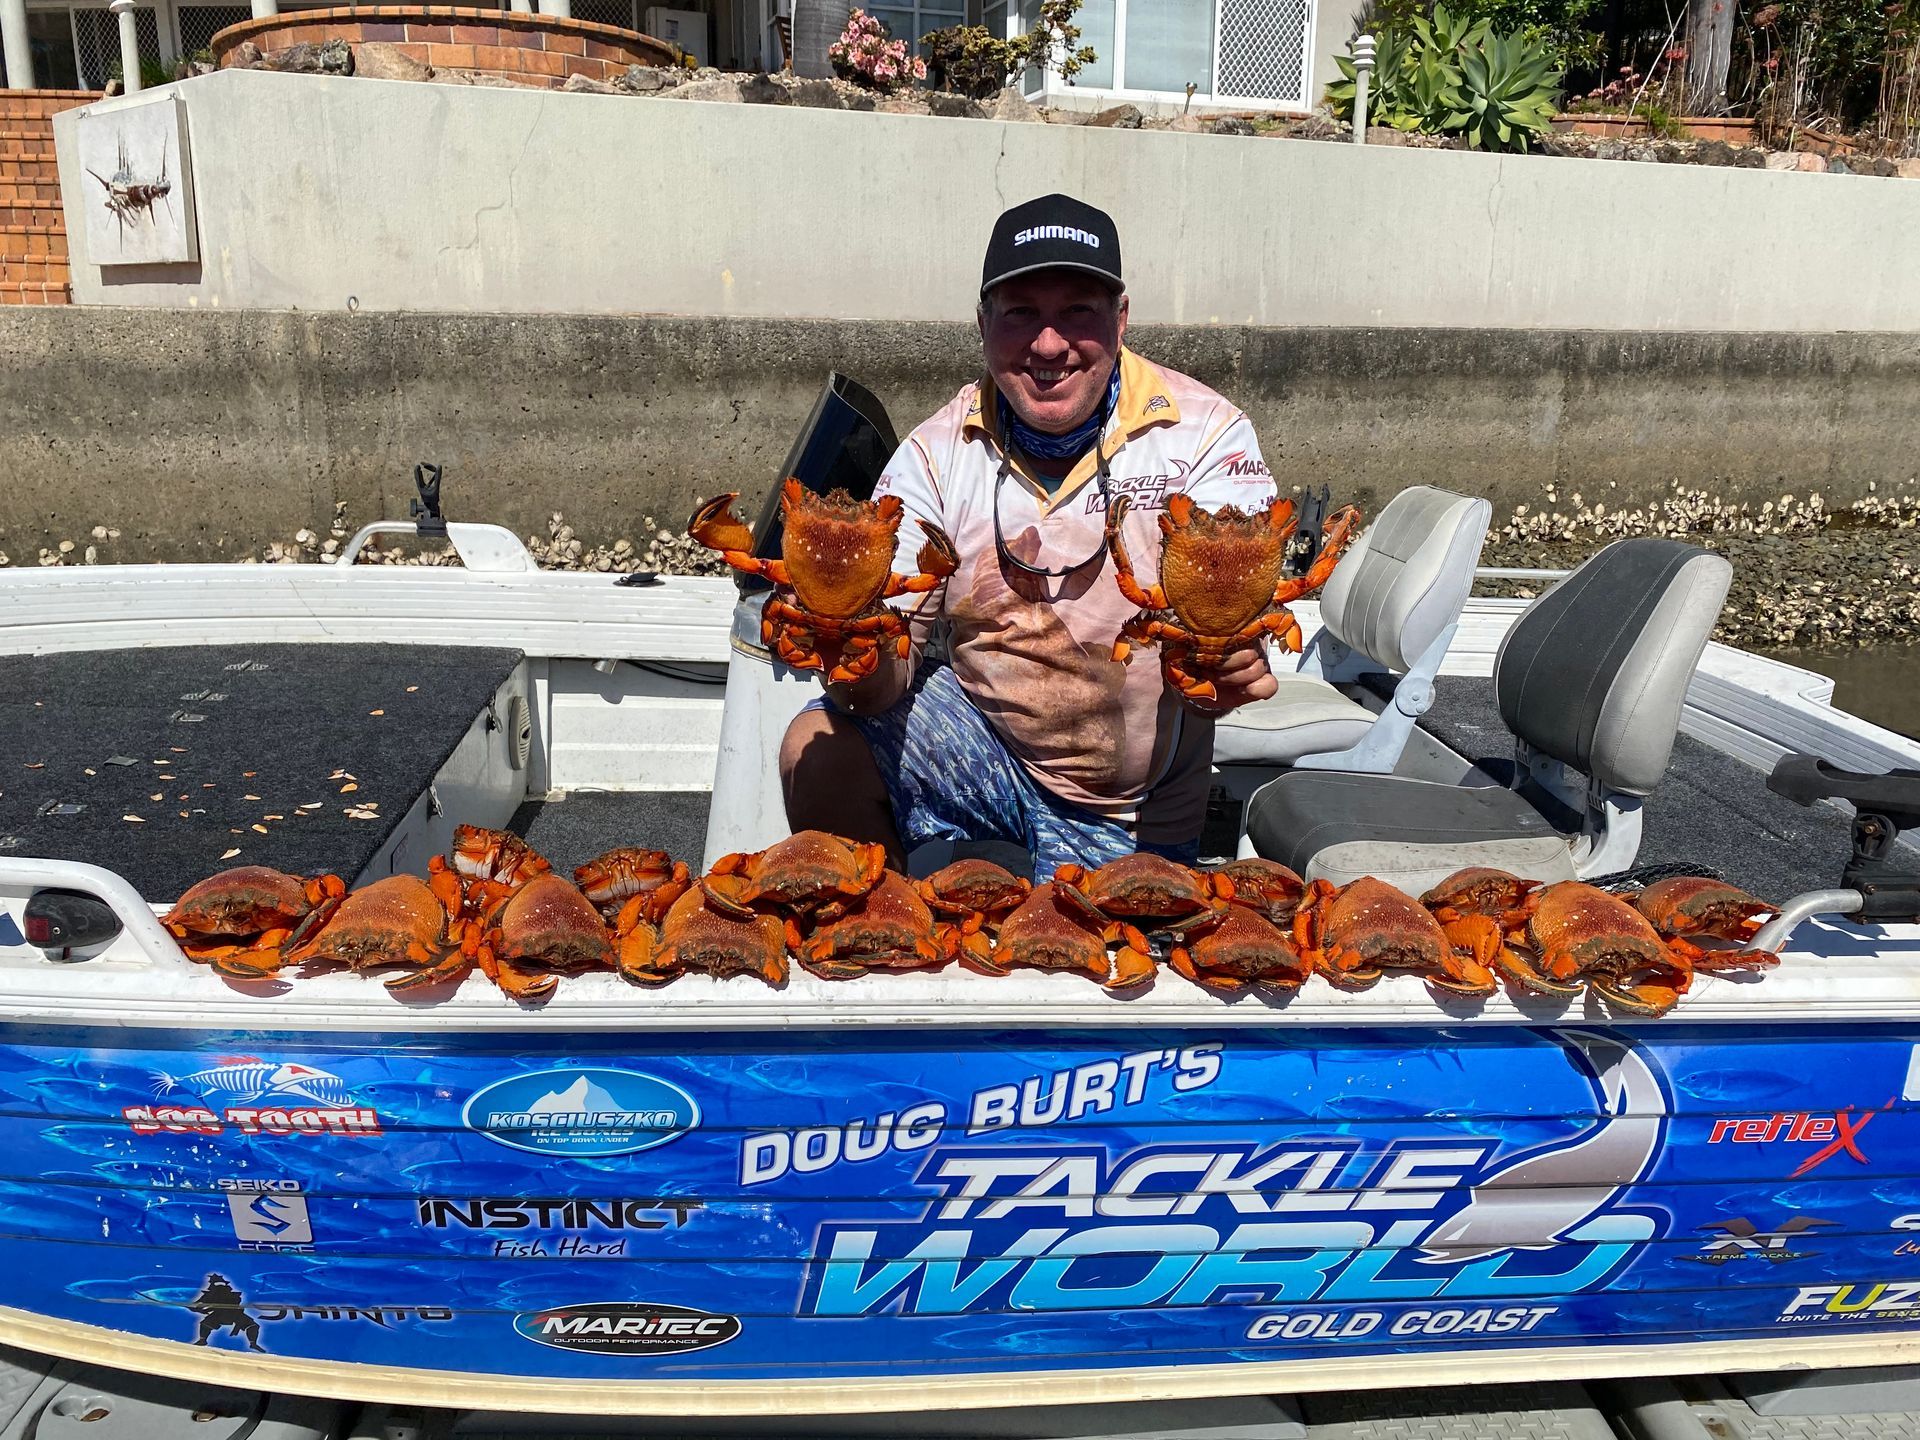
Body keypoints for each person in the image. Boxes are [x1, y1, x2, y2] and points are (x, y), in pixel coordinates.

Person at [780, 194, 1280, 880]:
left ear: (1121, 318)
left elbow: (1241, 610)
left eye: (1077, 310)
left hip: (1131, 799)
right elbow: (885, 670)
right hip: (983, 743)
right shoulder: (933, 458)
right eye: (1021, 313)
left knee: (1116, 964)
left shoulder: (1206, 437)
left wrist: (1232, 659)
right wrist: (852, 659)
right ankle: (884, 930)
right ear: (983, 324)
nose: (1049, 344)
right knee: (818, 743)